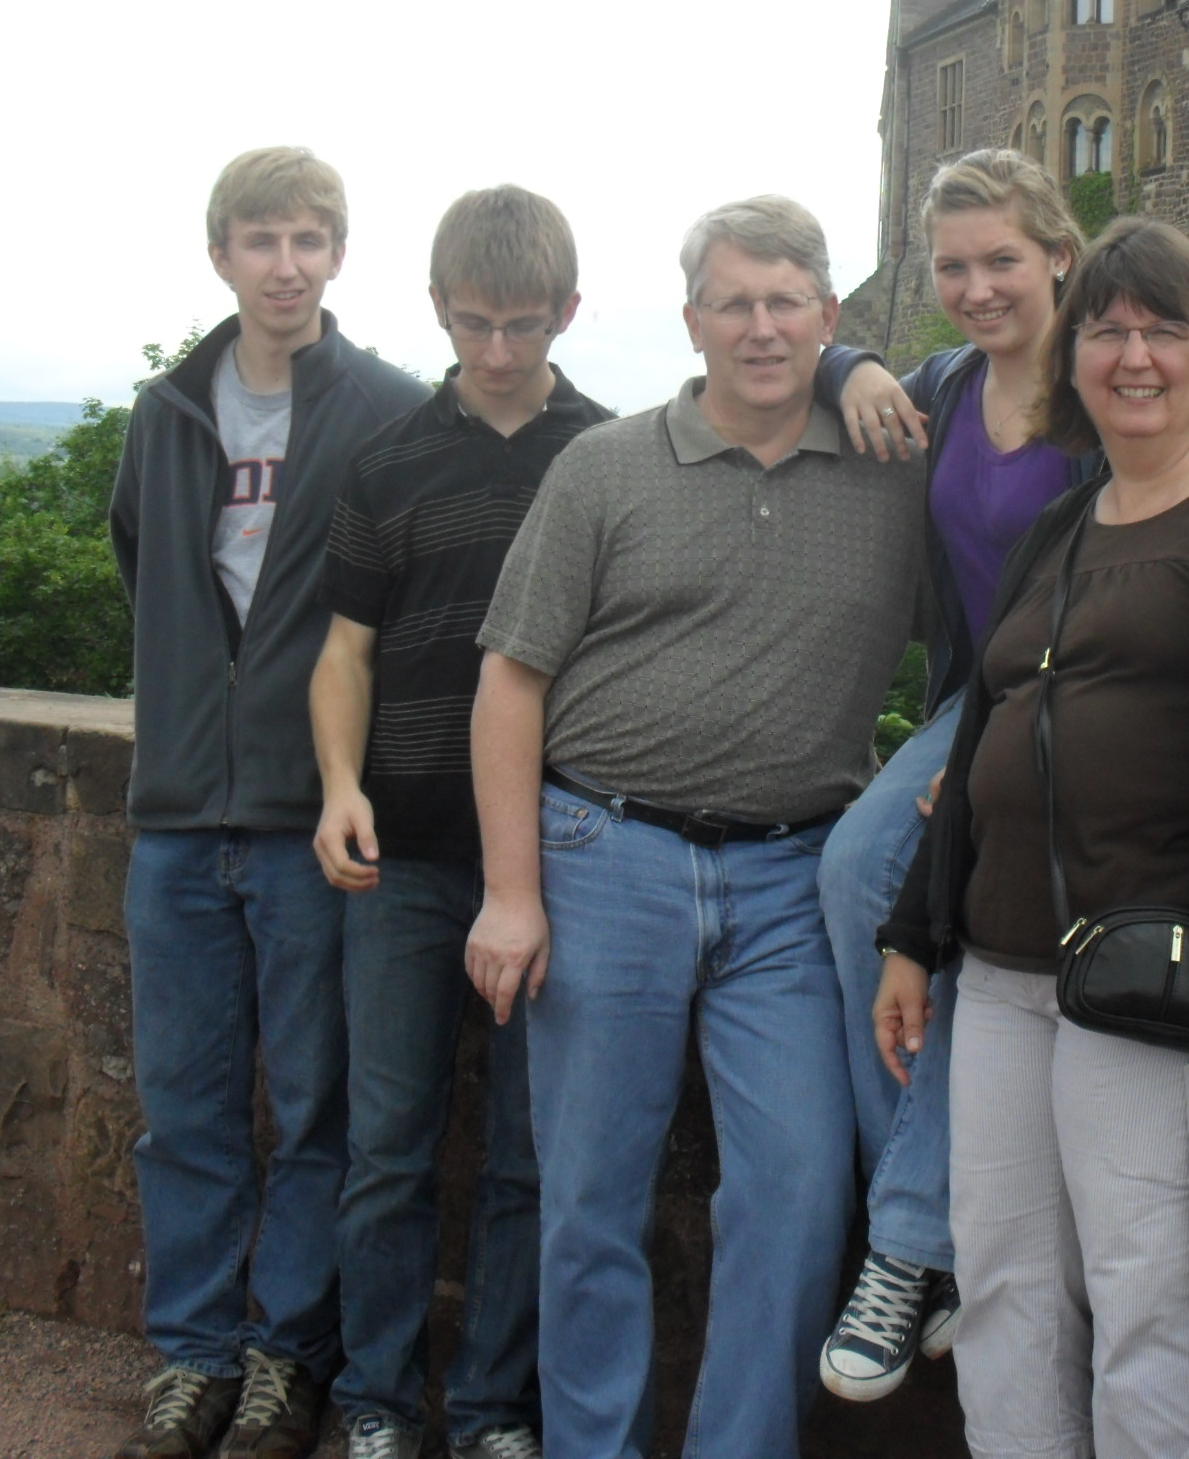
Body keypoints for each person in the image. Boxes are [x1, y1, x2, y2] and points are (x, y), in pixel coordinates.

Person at [872, 216, 1189, 1457]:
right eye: (1106, 332)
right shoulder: (1063, 529)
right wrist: (912, 936)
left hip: (1151, 975)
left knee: (1148, 1301)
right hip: (1001, 974)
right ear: (1075, 362)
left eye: (1165, 330)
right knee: (1001, 1287)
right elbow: (986, 740)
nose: (1134, 357)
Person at [464, 195, 928, 1459]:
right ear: (691, 322)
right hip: (603, 858)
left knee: (799, 1191)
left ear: (828, 316)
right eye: (734, 304)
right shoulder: (605, 468)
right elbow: (510, 680)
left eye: (785, 304)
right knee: (587, 1202)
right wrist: (511, 892)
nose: (760, 328)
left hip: (793, 879)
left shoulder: (895, 473)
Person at [108, 147, 431, 1459]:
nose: (285, 266)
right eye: (261, 241)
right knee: (184, 1111)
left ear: (338, 254)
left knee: (313, 1112)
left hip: (313, 820)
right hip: (180, 813)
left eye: (307, 241)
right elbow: (144, 565)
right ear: (221, 255)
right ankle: (189, 1359)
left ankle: (282, 1360)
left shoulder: (390, 410)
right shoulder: (166, 412)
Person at [311, 186, 610, 1459]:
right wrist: (339, 784)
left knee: (530, 1163)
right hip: (404, 860)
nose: (496, 350)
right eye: (475, 323)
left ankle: (492, 1413)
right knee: (387, 1151)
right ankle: (374, 1406)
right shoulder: (384, 462)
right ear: (437, 306)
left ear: (569, 313)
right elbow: (345, 651)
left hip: (562, 856)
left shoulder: (610, 456)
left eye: (523, 325)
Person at [803, 150, 1097, 1402]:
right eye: (954, 267)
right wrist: (851, 364)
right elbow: (815, 363)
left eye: (1003, 262)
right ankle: (935, 1223)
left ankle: (908, 1243)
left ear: (1060, 257)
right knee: (855, 873)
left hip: (1076, 709)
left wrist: (1014, 758)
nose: (978, 289)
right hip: (971, 702)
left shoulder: (1105, 389)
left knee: (917, 878)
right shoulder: (943, 386)